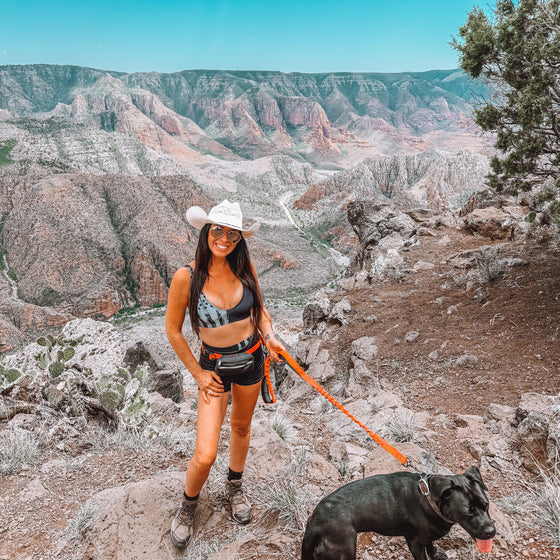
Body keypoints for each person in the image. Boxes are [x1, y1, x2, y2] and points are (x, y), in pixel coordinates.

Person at [165, 199, 285, 548]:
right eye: (218, 230)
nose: (225, 239)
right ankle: (188, 505)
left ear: (239, 240)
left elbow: (260, 311)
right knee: (205, 453)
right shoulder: (186, 277)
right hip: (213, 369)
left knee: (242, 428)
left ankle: (234, 487)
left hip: (250, 361)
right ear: (206, 232)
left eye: (232, 234)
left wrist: (271, 336)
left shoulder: (244, 267)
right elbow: (172, 331)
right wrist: (198, 375)